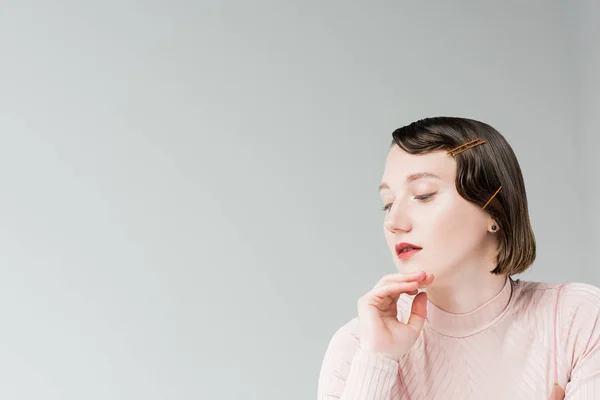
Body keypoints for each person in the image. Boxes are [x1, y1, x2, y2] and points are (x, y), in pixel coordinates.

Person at [317, 117, 600, 400]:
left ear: (493, 210)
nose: (394, 221)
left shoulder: (577, 319)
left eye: (423, 195)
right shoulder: (357, 346)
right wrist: (378, 360)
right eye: (388, 204)